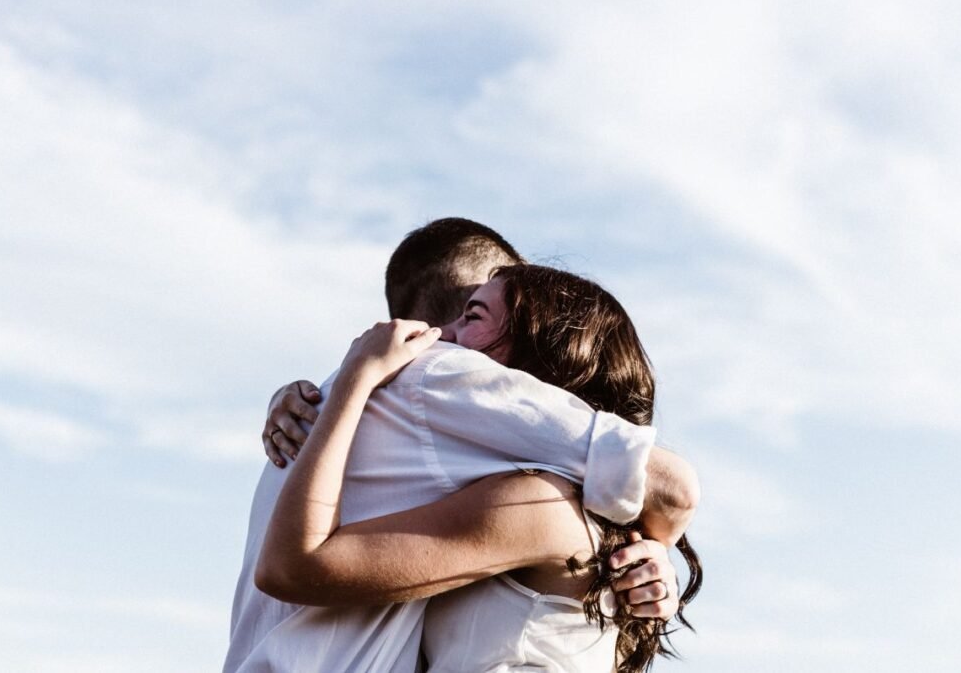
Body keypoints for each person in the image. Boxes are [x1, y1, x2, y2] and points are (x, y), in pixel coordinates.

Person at [224, 219, 699, 673]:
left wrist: (650, 552)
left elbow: (669, 489)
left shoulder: (538, 499)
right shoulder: (438, 390)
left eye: (474, 315)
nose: (440, 342)